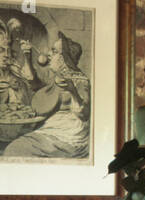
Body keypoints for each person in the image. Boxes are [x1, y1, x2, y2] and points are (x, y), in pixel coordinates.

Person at [5, 29, 91, 159]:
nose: (49, 54)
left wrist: (73, 91)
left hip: (68, 136)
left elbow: (85, 114)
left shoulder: (80, 79)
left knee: (14, 149)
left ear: (65, 59)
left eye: (54, 51)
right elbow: (36, 86)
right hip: (53, 129)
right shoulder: (57, 77)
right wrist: (27, 54)